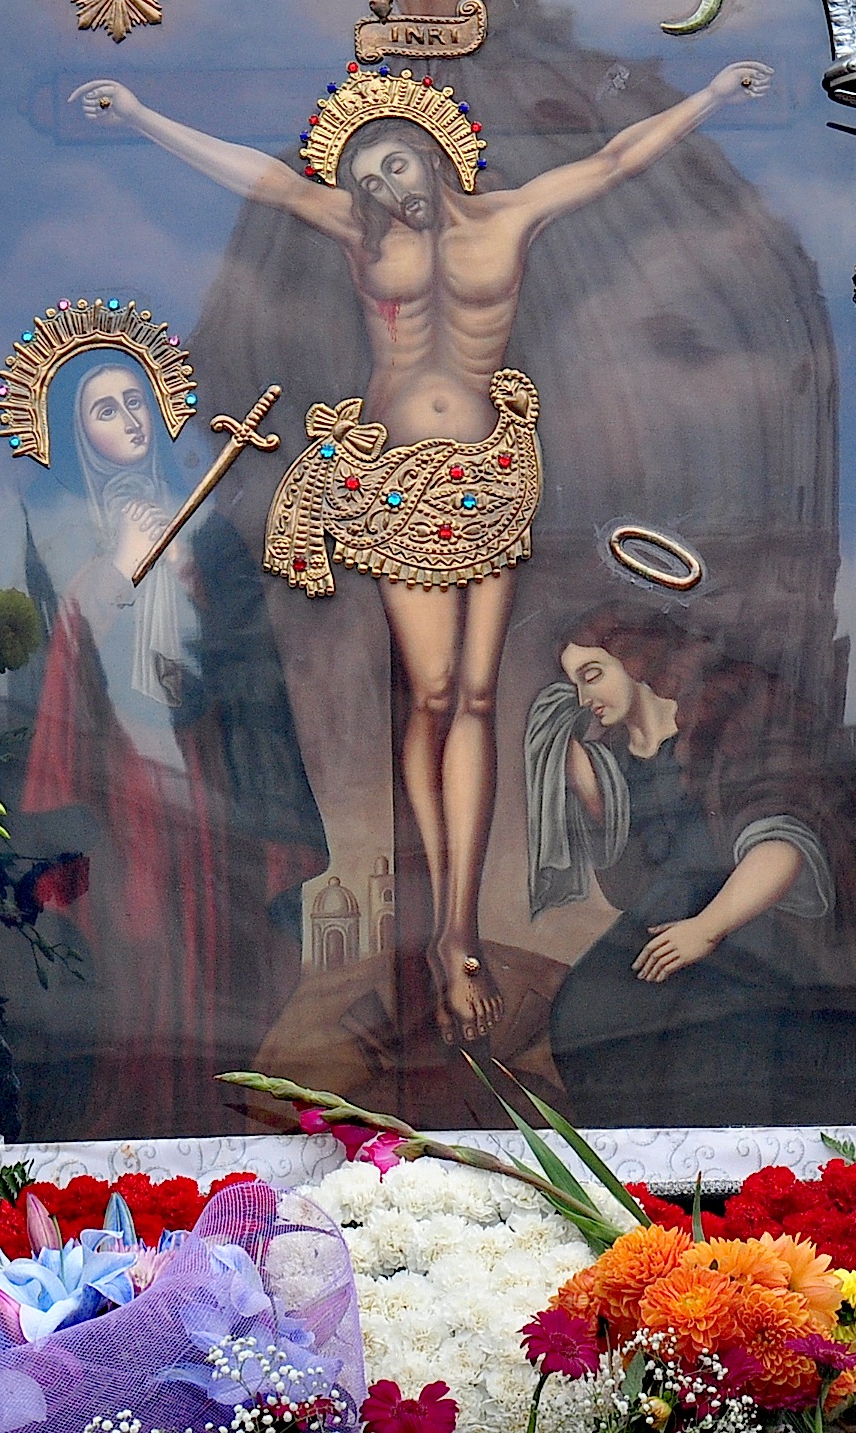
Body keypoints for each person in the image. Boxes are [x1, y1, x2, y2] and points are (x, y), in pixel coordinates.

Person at [73, 63, 772, 1047]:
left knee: (478, 698)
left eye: (391, 164)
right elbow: (260, 181)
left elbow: (616, 160)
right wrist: (146, 113)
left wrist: (713, 96)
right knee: (435, 694)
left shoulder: (512, 215)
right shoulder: (359, 235)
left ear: (434, 154)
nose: (380, 188)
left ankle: (456, 930)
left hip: (493, 473)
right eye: (363, 178)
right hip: (399, 480)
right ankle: (442, 927)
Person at [20, 355, 325, 1131]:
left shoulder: (202, 528)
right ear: (76, 435)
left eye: (137, 402)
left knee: (219, 957)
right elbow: (69, 656)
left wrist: (187, 579)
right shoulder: (64, 534)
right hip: (123, 790)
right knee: (144, 959)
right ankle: (142, 1135)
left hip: (206, 774)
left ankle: (220, 1129)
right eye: (105, 410)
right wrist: (121, 567)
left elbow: (236, 658)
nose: (128, 421)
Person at [522, 611, 856, 1127]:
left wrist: (706, 929)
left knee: (713, 1045)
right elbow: (633, 885)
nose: (585, 699)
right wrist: (592, 793)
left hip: (751, 927)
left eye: (593, 674)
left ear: (635, 659)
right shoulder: (617, 757)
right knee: (587, 1018)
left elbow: (785, 842)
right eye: (575, 685)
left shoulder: (732, 718)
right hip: (667, 926)